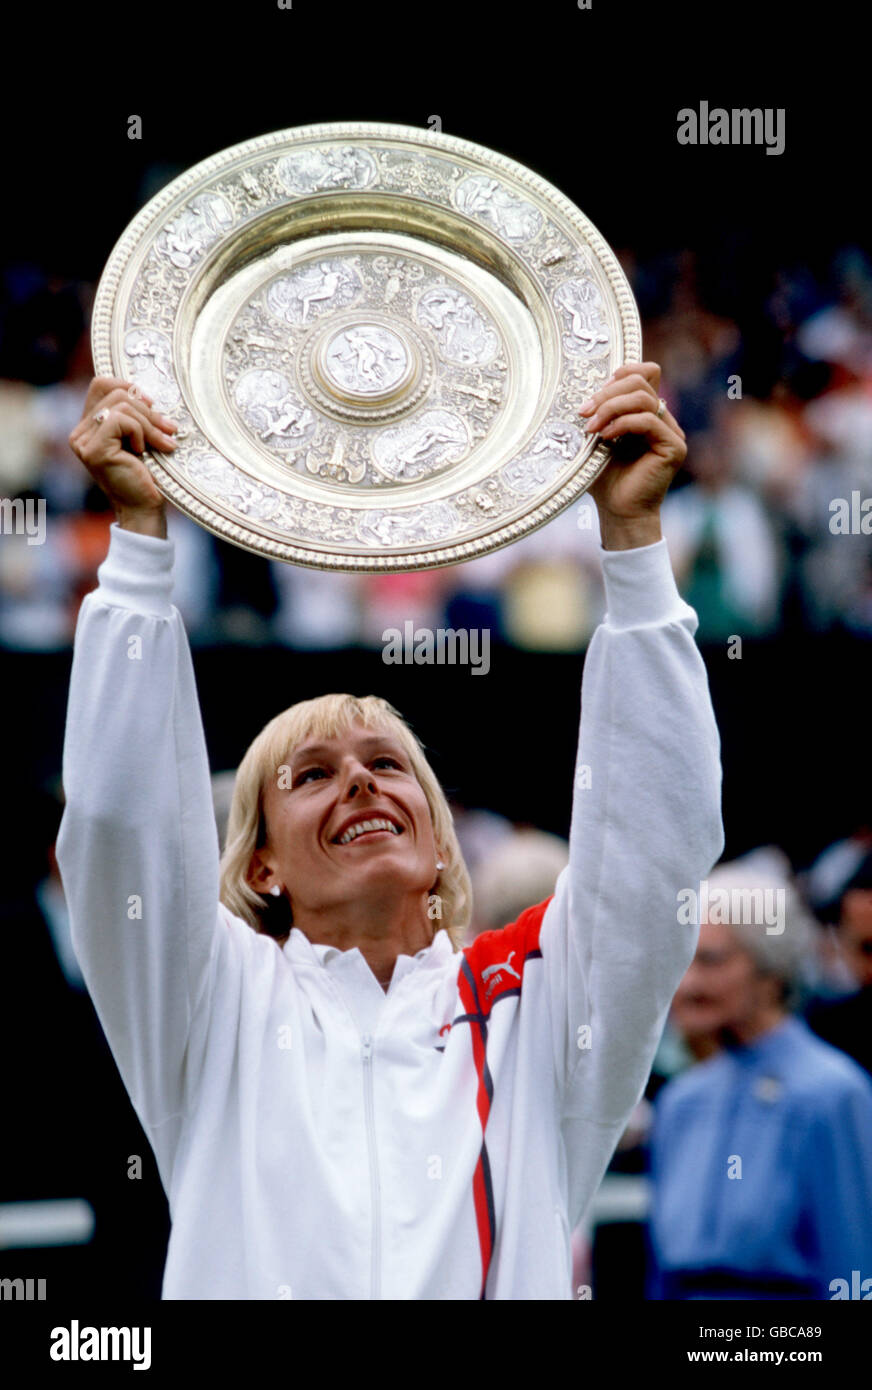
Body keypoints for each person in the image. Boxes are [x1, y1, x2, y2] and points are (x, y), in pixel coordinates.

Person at [57, 362, 723, 1300]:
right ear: (261, 865)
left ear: (441, 842)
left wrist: (634, 551)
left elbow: (656, 848)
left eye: (388, 764)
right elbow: (120, 824)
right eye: (312, 775)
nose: (360, 781)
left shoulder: (532, 1004)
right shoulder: (209, 1003)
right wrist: (138, 544)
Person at [647, 858, 872, 1299]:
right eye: (682, 961)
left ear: (771, 972)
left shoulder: (830, 1093)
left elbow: (853, 1265)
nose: (688, 984)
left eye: (711, 961)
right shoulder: (681, 1102)